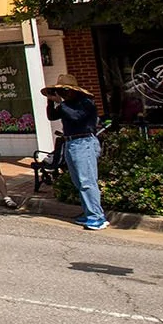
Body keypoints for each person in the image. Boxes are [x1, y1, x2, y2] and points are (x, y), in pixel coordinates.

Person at [43, 74, 105, 229]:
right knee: (79, 181)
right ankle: (89, 213)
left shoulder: (85, 103)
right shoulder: (66, 105)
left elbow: (76, 117)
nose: (64, 94)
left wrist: (61, 103)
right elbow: (52, 116)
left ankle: (97, 217)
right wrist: (50, 101)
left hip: (84, 142)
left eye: (65, 90)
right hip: (71, 143)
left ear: (74, 90)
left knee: (87, 181)